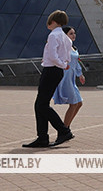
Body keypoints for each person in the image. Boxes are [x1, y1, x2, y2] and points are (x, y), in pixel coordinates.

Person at [23, 10, 75, 148]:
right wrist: (63, 64)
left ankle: (62, 131)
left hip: (51, 70)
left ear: (53, 21)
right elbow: (68, 56)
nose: (48, 25)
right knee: (41, 104)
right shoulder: (66, 38)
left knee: (41, 104)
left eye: (49, 22)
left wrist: (60, 63)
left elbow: (52, 56)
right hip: (57, 71)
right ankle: (43, 137)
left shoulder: (53, 35)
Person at [52, 25, 85, 128]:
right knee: (74, 103)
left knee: (79, 103)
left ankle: (66, 127)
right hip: (65, 77)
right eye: (71, 33)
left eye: (74, 33)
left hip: (71, 78)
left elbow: (76, 62)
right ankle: (64, 129)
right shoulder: (63, 47)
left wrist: (80, 74)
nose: (73, 35)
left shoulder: (73, 47)